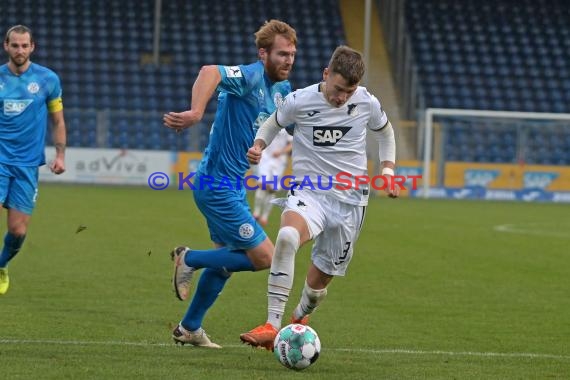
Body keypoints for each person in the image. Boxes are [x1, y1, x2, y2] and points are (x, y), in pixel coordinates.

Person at [239, 45, 400, 350]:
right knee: (286, 237)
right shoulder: (299, 100)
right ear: (326, 74)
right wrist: (259, 144)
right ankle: (271, 326)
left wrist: (388, 170)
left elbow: (386, 132)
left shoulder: (366, 102)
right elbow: (274, 122)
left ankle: (299, 316)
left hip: (350, 202)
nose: (342, 97)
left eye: (348, 92)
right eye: (338, 89)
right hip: (309, 191)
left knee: (320, 282)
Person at [162, 19, 297, 348]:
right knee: (265, 257)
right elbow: (210, 71)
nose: (289, 60)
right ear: (263, 54)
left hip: (234, 184)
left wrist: (258, 148)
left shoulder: (282, 91)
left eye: (293, 54)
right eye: (282, 54)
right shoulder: (250, 76)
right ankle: (188, 259)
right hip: (216, 185)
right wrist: (196, 112)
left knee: (225, 262)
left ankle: (189, 328)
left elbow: (269, 129)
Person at [0, 25, 67, 295]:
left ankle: (2, 265)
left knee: (17, 231)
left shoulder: (48, 79)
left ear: (32, 47)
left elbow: (58, 120)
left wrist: (60, 153)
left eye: (24, 45)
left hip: (28, 165)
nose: (19, 50)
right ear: (6, 46)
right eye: (14, 45)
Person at [252, 128, 293, 226]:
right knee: (262, 184)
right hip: (265, 158)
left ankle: (265, 216)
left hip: (279, 160)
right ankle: (256, 213)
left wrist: (281, 152)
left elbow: (291, 145)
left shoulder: (288, 125)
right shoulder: (269, 121)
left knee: (271, 189)